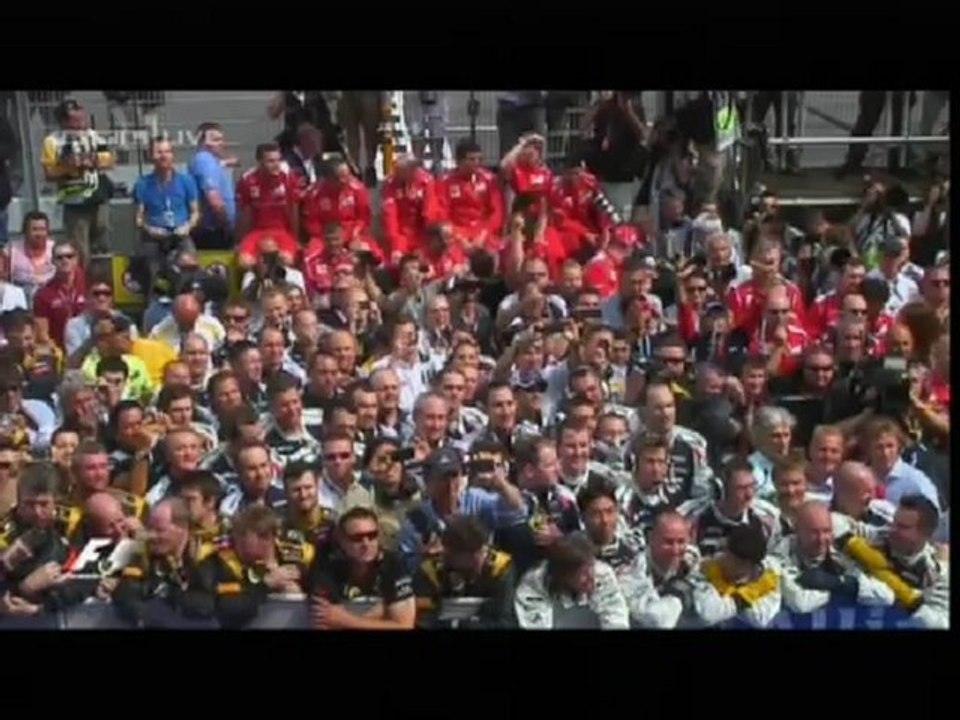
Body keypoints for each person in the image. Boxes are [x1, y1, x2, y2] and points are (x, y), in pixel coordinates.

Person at [397, 446, 526, 574]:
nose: (450, 484)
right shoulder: (417, 520)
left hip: (480, 574)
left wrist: (502, 486)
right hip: (440, 582)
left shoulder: (475, 499)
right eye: (442, 478)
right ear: (428, 481)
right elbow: (406, 565)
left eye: (454, 476)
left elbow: (518, 511)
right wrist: (425, 557)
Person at [191, 505, 314, 629]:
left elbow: (323, 586)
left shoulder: (298, 554)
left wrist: (298, 592)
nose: (236, 541)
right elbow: (226, 608)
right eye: (238, 536)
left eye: (267, 538)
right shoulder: (217, 562)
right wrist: (266, 585)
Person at [839, 494, 948, 629]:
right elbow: (833, 522)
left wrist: (906, 597)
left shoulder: (936, 572)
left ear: (925, 533)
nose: (893, 530)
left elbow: (941, 623)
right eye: (894, 523)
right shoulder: (877, 537)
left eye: (903, 527)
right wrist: (859, 548)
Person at [108, 498, 217, 627]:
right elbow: (124, 593)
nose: (152, 536)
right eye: (150, 529)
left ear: (182, 528)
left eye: (160, 530)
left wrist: (168, 593)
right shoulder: (146, 552)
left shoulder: (205, 556)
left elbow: (208, 604)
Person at [775, 501, 895, 614]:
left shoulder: (842, 552)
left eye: (826, 531)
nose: (821, 539)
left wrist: (840, 584)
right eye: (814, 532)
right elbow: (800, 603)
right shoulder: (781, 554)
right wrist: (835, 593)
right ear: (797, 530)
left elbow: (886, 596)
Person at [307, 507, 416, 630]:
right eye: (357, 538)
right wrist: (378, 617)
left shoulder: (393, 564)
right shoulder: (326, 567)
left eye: (372, 535)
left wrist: (348, 620)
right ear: (342, 541)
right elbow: (325, 620)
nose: (366, 543)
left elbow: (405, 626)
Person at [40, 98, 114, 258]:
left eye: (81, 117)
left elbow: (109, 160)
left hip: (98, 197)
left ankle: (103, 279)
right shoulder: (52, 141)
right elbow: (49, 173)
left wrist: (93, 160)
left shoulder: (93, 136)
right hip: (74, 201)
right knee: (79, 249)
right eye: (74, 119)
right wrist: (70, 167)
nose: (80, 121)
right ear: (63, 121)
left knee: (103, 244)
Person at [413, 515, 516, 629]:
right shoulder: (430, 573)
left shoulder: (499, 567)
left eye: (479, 553)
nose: (476, 563)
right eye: (467, 558)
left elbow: (505, 621)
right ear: (449, 554)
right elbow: (423, 622)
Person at [514, 532, 630, 629]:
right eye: (583, 573)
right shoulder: (533, 586)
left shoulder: (602, 574)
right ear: (564, 575)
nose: (591, 577)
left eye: (591, 566)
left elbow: (616, 618)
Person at [619, 511, 703, 629]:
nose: (675, 550)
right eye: (668, 542)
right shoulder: (632, 570)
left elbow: (707, 610)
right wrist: (678, 597)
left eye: (681, 541)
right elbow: (654, 620)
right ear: (651, 539)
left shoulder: (691, 559)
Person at [235, 142, 302, 271]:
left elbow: (293, 210)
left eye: (278, 160)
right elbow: (245, 214)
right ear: (259, 161)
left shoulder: (287, 178)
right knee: (244, 262)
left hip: (281, 232)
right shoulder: (248, 180)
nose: (276, 164)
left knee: (286, 259)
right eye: (270, 161)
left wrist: (296, 238)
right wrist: (240, 241)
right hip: (257, 232)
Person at [437, 139, 504, 254]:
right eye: (472, 159)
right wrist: (460, 239)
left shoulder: (489, 180)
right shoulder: (445, 182)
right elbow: (443, 215)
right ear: (459, 161)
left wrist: (483, 234)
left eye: (479, 159)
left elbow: (496, 213)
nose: (477, 163)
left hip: (483, 232)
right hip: (457, 233)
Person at [381, 155, 441, 265]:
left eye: (400, 171)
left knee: (425, 261)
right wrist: (396, 244)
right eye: (396, 171)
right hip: (400, 231)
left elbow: (429, 211)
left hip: (421, 231)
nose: (397, 174)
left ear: (412, 170)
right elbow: (390, 215)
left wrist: (427, 241)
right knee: (396, 262)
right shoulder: (390, 183)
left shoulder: (426, 181)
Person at [188, 122, 237, 251]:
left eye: (221, 139)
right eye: (215, 140)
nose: (221, 143)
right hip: (213, 231)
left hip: (216, 229)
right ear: (202, 142)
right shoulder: (204, 160)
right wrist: (227, 225)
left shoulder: (212, 161)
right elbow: (214, 199)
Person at [32, 241, 86, 351]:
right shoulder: (43, 294)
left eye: (69, 256)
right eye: (59, 257)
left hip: (90, 350)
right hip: (59, 352)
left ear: (77, 259)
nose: (65, 260)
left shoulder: (89, 286)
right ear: (53, 261)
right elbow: (42, 334)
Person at [5, 210, 56, 303]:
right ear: (25, 231)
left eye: (42, 229)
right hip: (21, 302)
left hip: (52, 301)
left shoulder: (56, 249)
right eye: (35, 229)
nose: (39, 234)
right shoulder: (11, 252)